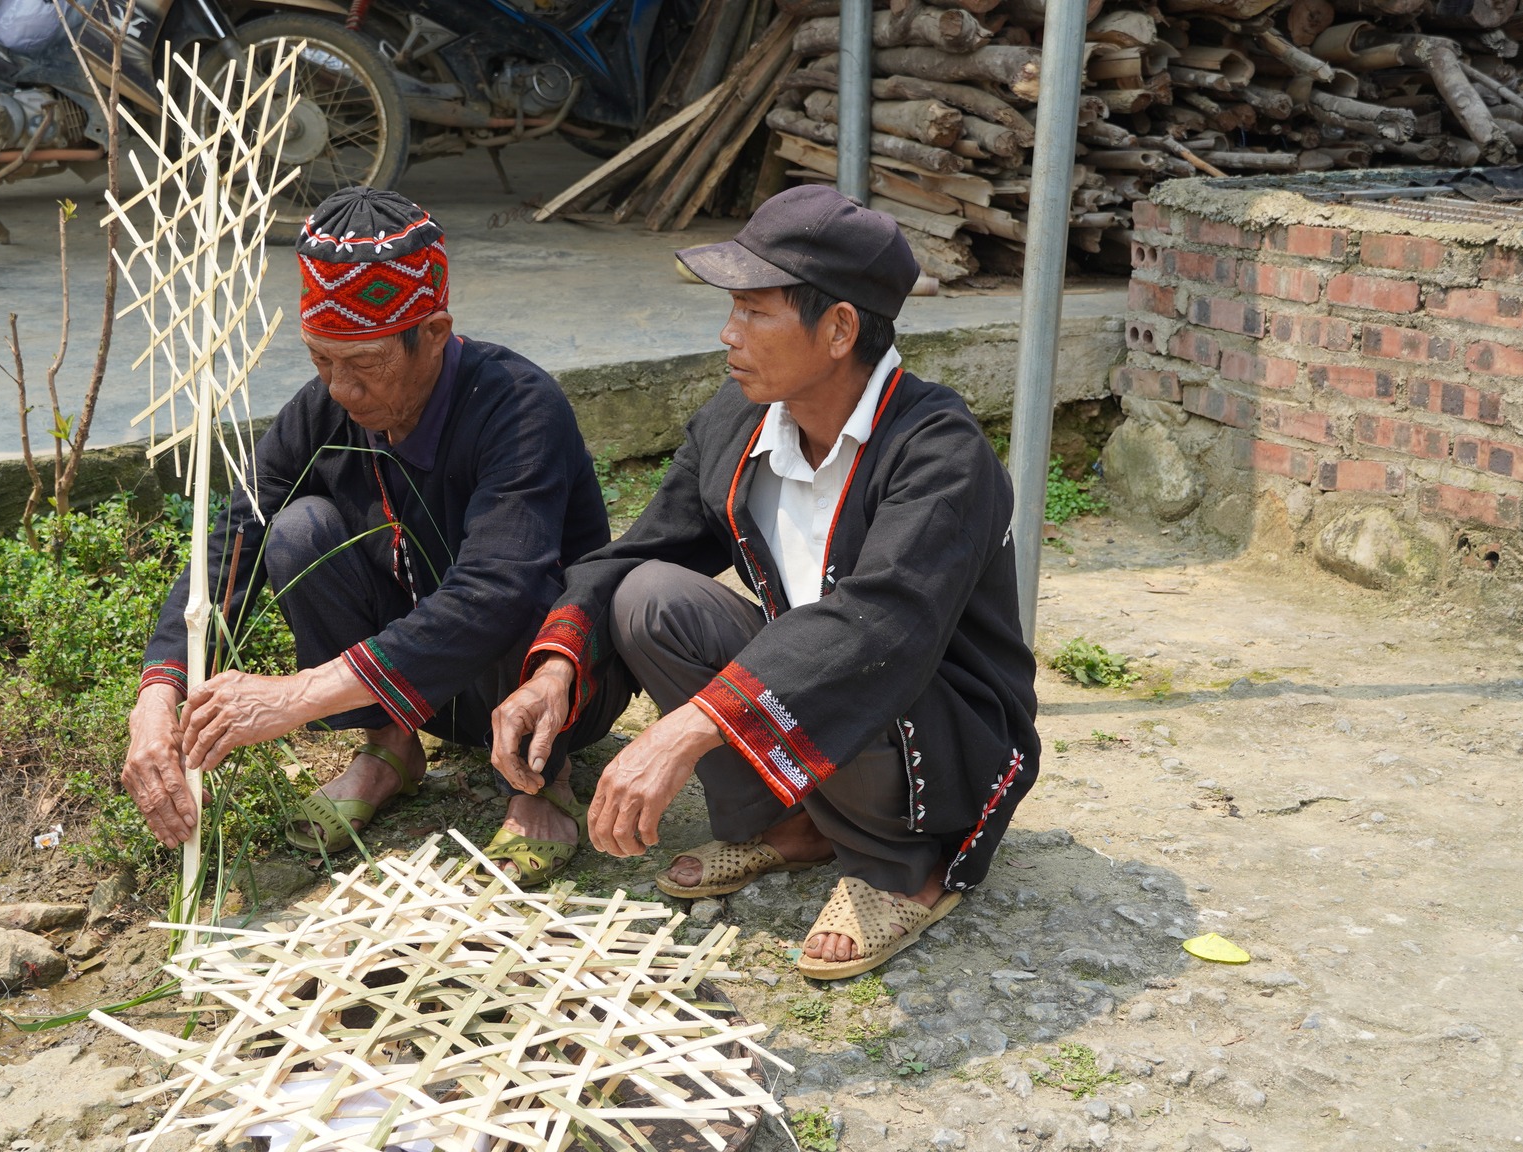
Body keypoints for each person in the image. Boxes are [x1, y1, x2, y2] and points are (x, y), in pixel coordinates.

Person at [490, 185, 1040, 979]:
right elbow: (637, 553)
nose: (728, 334)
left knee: (859, 652)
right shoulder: (741, 420)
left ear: (839, 328)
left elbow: (880, 625)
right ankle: (790, 824)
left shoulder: (940, 453)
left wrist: (684, 729)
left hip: (935, 725)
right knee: (650, 595)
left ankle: (897, 862)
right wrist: (554, 670)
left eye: (754, 311)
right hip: (811, 700)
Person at [124, 186, 630, 883]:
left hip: (550, 691)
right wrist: (158, 695)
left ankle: (543, 779)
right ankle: (389, 748)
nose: (339, 390)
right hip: (418, 684)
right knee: (298, 531)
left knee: (506, 584)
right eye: (320, 361)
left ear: (435, 333)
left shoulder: (517, 406)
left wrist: (294, 696)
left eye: (364, 365)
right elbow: (231, 543)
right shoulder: (322, 410)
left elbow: (495, 592)